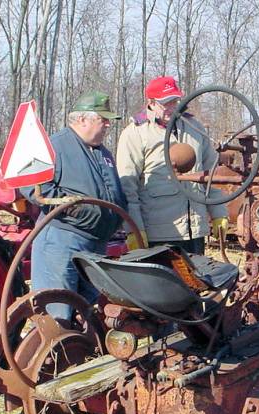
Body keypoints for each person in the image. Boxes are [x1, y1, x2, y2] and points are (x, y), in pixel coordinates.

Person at [21, 92, 127, 321]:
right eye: (103, 119)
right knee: (57, 311)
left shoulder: (103, 153)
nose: (108, 124)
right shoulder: (54, 146)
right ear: (82, 119)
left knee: (87, 312)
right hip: (61, 241)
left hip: (96, 245)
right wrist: (77, 210)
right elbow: (30, 186)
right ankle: (60, 342)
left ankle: (83, 341)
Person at [116, 76, 228, 254]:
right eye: (165, 103)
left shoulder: (194, 128)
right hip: (159, 233)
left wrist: (219, 213)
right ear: (151, 103)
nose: (172, 107)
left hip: (195, 231)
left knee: (198, 273)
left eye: (174, 101)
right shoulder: (135, 134)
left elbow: (210, 175)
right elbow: (127, 186)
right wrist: (134, 229)